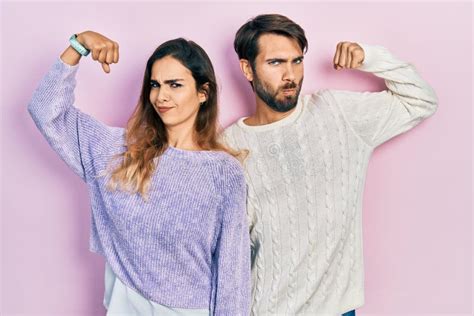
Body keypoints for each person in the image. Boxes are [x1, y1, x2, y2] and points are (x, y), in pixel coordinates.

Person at [223, 14, 438, 315]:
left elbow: (422, 100)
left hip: (336, 309)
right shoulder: (228, 147)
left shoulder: (337, 114)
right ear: (248, 68)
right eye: (276, 63)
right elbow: (229, 249)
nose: (291, 75)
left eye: (297, 61)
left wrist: (370, 57)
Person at [28, 31, 251, 316]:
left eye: (175, 84)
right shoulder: (118, 151)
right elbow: (45, 110)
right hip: (126, 305)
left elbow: (233, 273)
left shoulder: (223, 173)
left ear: (203, 92)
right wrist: (78, 45)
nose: (161, 95)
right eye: (155, 84)